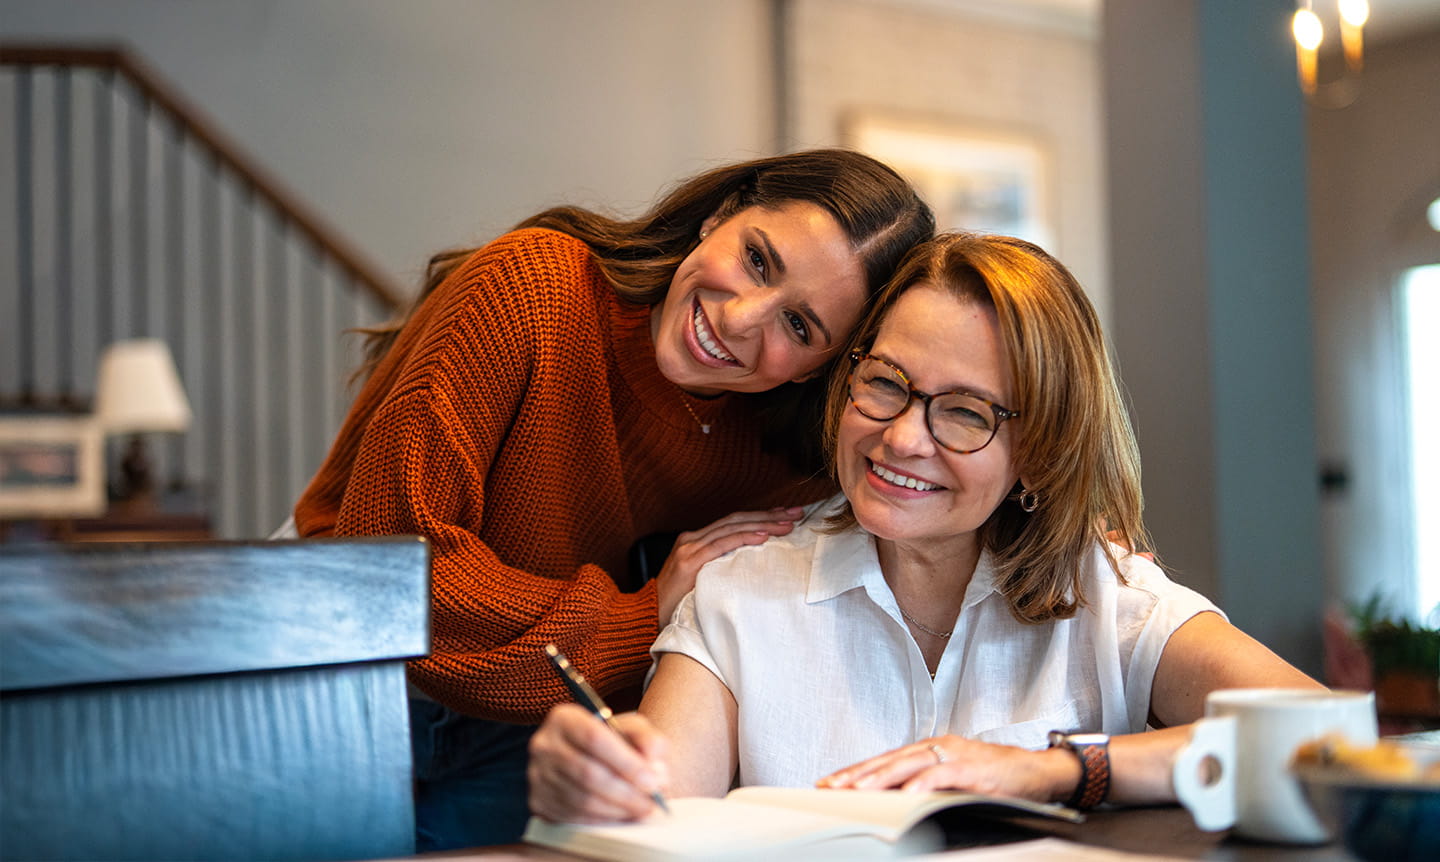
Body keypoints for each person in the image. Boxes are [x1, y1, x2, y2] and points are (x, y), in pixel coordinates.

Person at [527, 232, 1323, 825]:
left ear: (1040, 453)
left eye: (967, 412)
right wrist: (595, 785)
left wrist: (1053, 771)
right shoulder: (743, 592)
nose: (903, 437)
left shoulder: (1106, 594)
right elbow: (655, 808)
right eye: (886, 383)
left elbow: (1322, 738)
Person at [289, 149, 935, 848]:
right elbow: (387, 584)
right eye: (756, 260)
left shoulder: (790, 454)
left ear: (828, 367)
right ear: (719, 215)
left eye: (800, 327)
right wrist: (645, 610)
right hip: (335, 675)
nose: (744, 320)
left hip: (537, 725)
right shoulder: (534, 285)